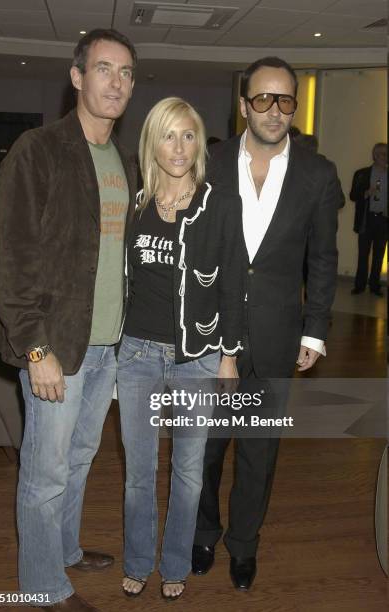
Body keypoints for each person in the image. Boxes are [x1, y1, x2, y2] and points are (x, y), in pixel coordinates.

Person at [0, 29, 137, 611]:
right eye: (104, 69)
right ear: (77, 77)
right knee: (45, 472)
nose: (116, 82)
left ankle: (66, 550)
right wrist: (35, 348)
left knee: (80, 458)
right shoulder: (39, 148)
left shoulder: (123, 161)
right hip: (57, 346)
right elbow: (12, 260)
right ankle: (41, 586)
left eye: (126, 73)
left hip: (108, 345)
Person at [192, 56, 341, 591]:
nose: (274, 110)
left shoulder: (317, 174)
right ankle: (202, 532)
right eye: (263, 99)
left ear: (293, 106)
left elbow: (323, 257)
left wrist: (315, 328)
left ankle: (244, 545)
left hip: (278, 335)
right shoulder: (209, 162)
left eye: (284, 100)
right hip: (211, 334)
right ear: (242, 106)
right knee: (205, 444)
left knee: (259, 448)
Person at [117, 97, 244, 601]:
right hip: (136, 353)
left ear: (199, 143)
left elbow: (234, 284)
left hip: (197, 357)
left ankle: (174, 563)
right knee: (138, 474)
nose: (179, 147)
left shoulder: (219, 205)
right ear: (153, 140)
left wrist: (229, 357)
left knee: (189, 472)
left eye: (189, 135)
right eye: (169, 135)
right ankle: (136, 561)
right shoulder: (136, 199)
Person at [350, 142, 388, 296]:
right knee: (363, 254)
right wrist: (365, 193)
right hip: (367, 219)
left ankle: (374, 286)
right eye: (381, 154)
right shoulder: (362, 173)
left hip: (384, 220)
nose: (384, 157)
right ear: (374, 155)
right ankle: (359, 285)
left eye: (386, 154)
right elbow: (352, 196)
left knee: (379, 255)